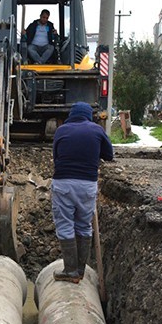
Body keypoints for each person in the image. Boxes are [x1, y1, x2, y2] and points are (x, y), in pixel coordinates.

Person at [51, 101, 114, 283]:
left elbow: (56, 156)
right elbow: (109, 155)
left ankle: (70, 270)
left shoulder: (61, 130)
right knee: (84, 225)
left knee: (65, 224)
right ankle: (80, 270)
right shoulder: (97, 130)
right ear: (89, 115)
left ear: (72, 115)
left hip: (63, 183)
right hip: (87, 184)